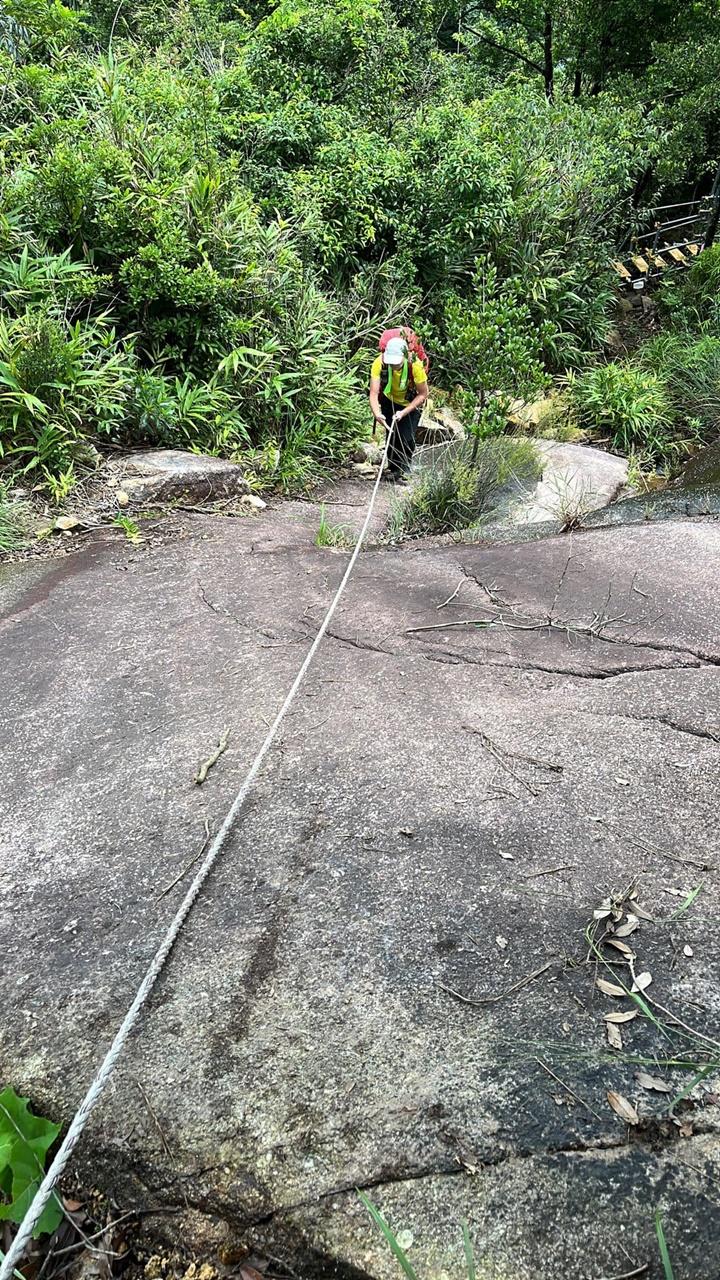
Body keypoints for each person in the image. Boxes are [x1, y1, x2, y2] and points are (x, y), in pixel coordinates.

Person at [369, 335, 428, 480]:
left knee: (406, 437)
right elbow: (374, 393)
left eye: (397, 363)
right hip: (390, 399)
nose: (393, 365)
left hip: (411, 402)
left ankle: (404, 470)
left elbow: (423, 394)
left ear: (405, 355)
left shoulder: (415, 365)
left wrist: (403, 412)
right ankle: (394, 470)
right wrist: (377, 413)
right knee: (392, 434)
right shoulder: (379, 363)